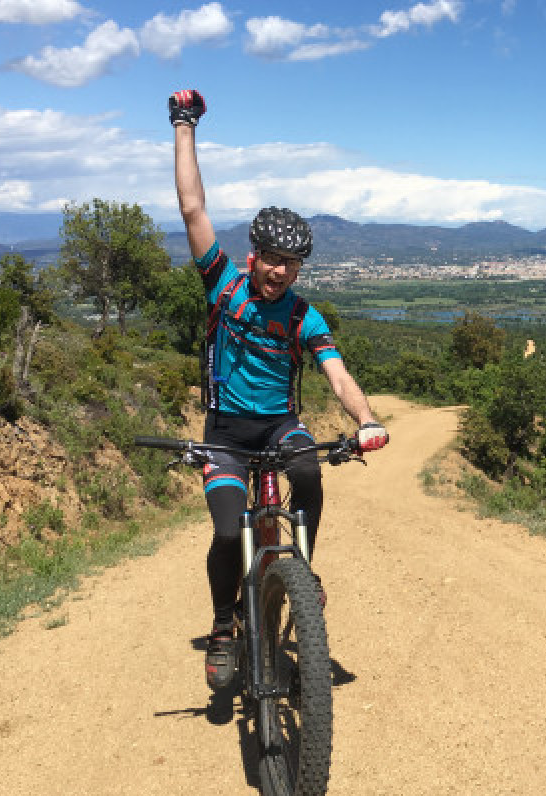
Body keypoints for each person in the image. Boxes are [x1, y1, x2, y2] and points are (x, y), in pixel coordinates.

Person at [169, 89, 388, 690]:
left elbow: (337, 373)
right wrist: (183, 125)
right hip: (226, 433)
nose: (279, 270)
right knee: (222, 531)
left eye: (291, 263)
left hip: (279, 425)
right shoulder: (223, 284)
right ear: (253, 255)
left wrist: (366, 420)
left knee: (311, 473)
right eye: (271, 258)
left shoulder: (303, 315)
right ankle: (222, 625)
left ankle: (303, 568)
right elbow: (192, 209)